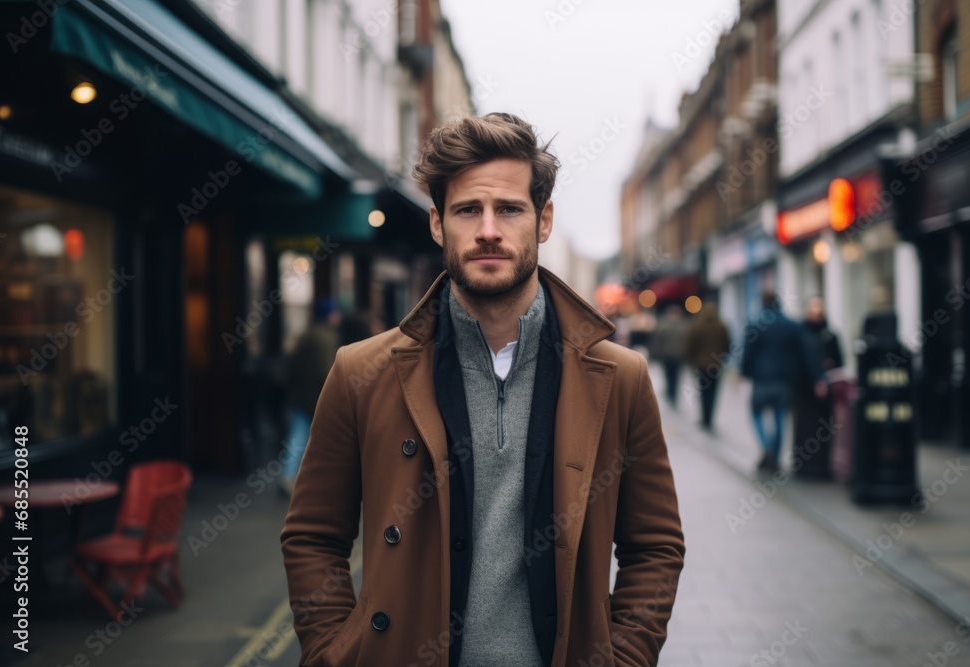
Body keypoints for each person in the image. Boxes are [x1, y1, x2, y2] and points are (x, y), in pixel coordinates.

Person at [281, 113, 685, 667]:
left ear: (542, 221)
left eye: (510, 209)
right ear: (437, 224)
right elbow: (313, 537)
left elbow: (654, 547)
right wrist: (333, 654)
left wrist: (626, 657)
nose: (488, 230)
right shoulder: (360, 373)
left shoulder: (621, 380)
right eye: (468, 209)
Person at [740, 290, 824, 471]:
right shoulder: (791, 326)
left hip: (761, 379)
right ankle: (775, 457)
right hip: (784, 380)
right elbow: (806, 353)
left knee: (756, 414)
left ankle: (767, 447)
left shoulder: (755, 325)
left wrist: (744, 373)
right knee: (780, 417)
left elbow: (748, 354)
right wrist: (818, 377)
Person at [280, 297, 341, 495]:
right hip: (314, 398)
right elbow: (327, 371)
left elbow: (291, 367)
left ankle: (290, 478)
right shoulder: (326, 337)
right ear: (331, 316)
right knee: (315, 439)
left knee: (298, 438)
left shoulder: (306, 334)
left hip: (300, 396)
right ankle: (309, 480)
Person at [793, 296, 843, 478]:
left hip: (826, 391)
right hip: (805, 390)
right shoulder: (801, 334)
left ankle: (822, 465)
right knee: (805, 427)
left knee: (822, 429)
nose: (816, 312)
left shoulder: (829, 335)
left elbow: (839, 361)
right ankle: (805, 464)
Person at [682, 302, 730, 432]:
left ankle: (704, 418)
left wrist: (690, 360)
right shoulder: (721, 326)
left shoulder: (697, 326)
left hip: (701, 365)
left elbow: (690, 345)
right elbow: (727, 344)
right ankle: (710, 418)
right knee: (714, 392)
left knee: (703, 392)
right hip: (716, 365)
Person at [649, 305, 687, 408]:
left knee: (670, 376)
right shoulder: (683, 326)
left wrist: (655, 353)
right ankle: (672, 394)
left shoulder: (664, 325)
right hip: (676, 356)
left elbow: (657, 341)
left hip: (669, 356)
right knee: (674, 376)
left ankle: (671, 394)